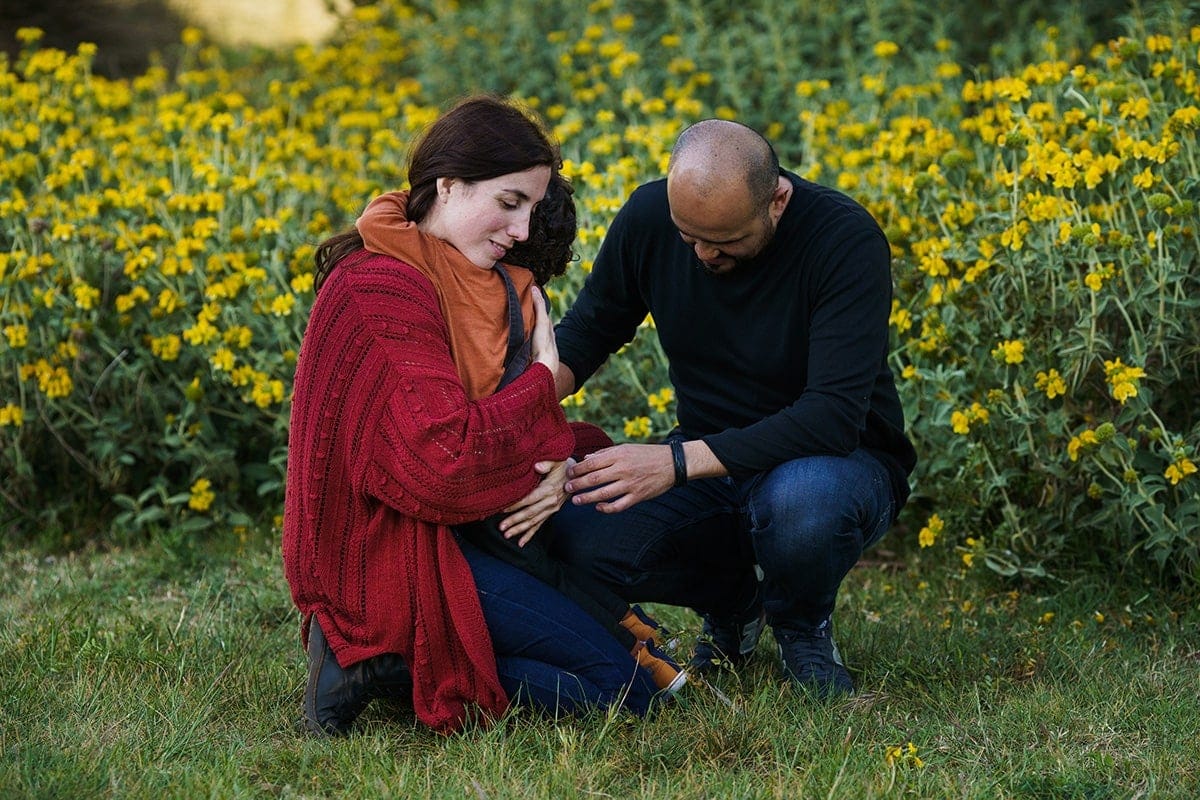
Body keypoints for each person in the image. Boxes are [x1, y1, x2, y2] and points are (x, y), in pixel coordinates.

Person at [282, 96, 670, 737]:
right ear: (450, 184)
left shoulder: (468, 282)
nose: (522, 231)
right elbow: (445, 462)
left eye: (532, 209)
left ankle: (424, 652)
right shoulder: (382, 285)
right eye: (509, 202)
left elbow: (484, 433)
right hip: (394, 549)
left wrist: (554, 465)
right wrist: (545, 379)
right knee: (617, 695)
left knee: (620, 686)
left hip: (461, 532)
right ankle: (377, 659)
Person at [539, 118, 918, 699]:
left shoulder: (844, 240)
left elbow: (832, 417)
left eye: (725, 241)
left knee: (802, 503)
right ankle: (733, 603)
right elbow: (590, 331)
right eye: (689, 237)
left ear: (777, 200)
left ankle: (802, 624)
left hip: (838, 462)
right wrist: (516, 400)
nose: (704, 254)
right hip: (712, 463)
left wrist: (674, 462)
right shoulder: (648, 218)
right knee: (575, 531)